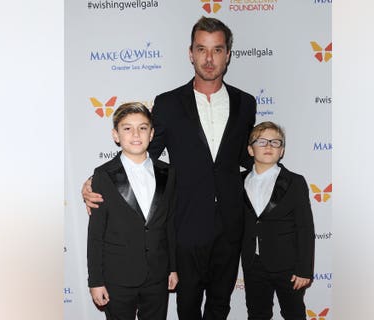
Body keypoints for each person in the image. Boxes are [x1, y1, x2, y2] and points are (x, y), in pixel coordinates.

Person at [83, 16, 256, 320]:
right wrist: (94, 182)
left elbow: (248, 160)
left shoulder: (245, 103)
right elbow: (142, 154)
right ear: (190, 53)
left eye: (217, 50)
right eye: (201, 49)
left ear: (228, 54)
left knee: (221, 305)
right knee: (187, 306)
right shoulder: (169, 103)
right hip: (184, 225)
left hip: (231, 225)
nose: (209, 58)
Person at [87, 102, 178, 320]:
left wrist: (173, 267)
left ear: (152, 133)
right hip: (117, 276)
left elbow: (170, 225)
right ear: (116, 135)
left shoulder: (169, 172)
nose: (136, 134)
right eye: (127, 128)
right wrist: (96, 281)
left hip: (157, 274)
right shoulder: (103, 175)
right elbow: (96, 234)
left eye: (143, 128)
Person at [240, 121, 315, 320]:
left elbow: (305, 228)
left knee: (294, 315)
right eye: (262, 141)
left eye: (275, 142)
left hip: (288, 266)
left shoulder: (295, 182)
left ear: (281, 151)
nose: (268, 146)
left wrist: (304, 269)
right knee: (257, 315)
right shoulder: (238, 181)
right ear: (250, 149)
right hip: (253, 263)